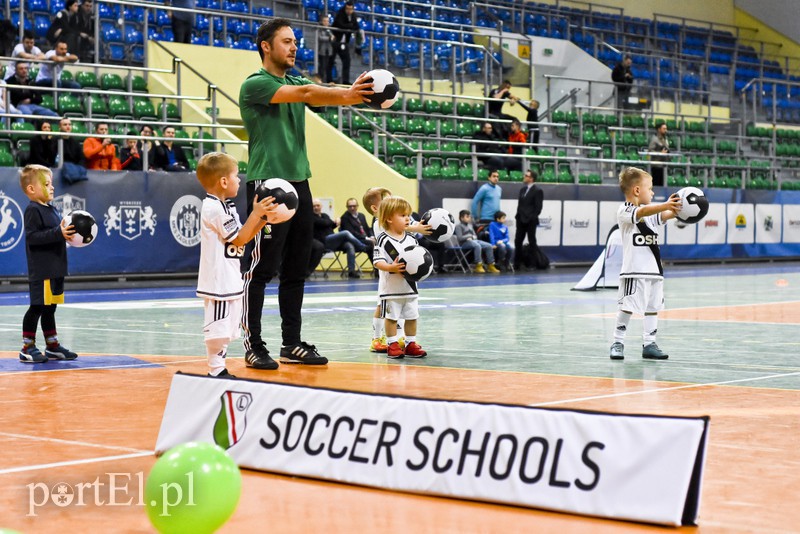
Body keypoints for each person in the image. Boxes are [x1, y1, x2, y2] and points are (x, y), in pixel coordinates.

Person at [238, 18, 373, 369]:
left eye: (295, 41)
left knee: (297, 267)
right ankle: (252, 344)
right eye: (286, 41)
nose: (294, 46)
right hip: (268, 184)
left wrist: (350, 91)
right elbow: (309, 94)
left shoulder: (295, 79)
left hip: (299, 182)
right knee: (261, 269)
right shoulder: (256, 84)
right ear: (266, 46)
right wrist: (348, 95)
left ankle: (291, 343)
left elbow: (315, 91)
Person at [195, 152, 277, 376]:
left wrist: (264, 218)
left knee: (229, 328)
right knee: (218, 329)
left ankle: (219, 368)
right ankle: (215, 370)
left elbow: (245, 235)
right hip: (218, 279)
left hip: (231, 276)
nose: (239, 180)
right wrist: (257, 213)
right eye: (235, 176)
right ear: (223, 181)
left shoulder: (226, 206)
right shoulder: (213, 208)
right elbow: (240, 238)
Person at [609, 167, 681, 361]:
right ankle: (618, 341)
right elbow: (642, 211)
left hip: (654, 272)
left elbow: (666, 215)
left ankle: (649, 343)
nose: (653, 192)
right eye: (650, 188)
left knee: (652, 307)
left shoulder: (650, 215)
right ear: (637, 191)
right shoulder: (625, 210)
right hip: (634, 272)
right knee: (627, 307)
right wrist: (666, 204)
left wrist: (683, 209)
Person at [18, 164, 78, 363]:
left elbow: (54, 235)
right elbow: (33, 237)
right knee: (37, 307)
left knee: (50, 308)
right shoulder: (33, 210)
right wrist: (57, 233)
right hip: (42, 271)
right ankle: (27, 347)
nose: (52, 187)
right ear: (31, 189)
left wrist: (68, 236)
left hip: (55, 269)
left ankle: (52, 346)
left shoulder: (51, 209)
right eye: (46, 184)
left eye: (51, 184)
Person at [362, 186, 429, 352]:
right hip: (388, 274)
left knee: (406, 310)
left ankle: (402, 339)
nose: (407, 218)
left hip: (406, 282)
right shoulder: (379, 224)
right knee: (384, 307)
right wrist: (416, 227)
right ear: (376, 208)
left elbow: (405, 227)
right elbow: (403, 227)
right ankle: (378, 338)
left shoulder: (409, 238)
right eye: (387, 201)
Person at [312, 198, 366, 278]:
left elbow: (330, 225)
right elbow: (325, 223)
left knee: (349, 245)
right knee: (346, 233)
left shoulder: (325, 215)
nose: (316, 207)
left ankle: (351, 271)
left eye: (318, 205)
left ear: (321, 206)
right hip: (324, 242)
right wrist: (334, 221)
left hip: (333, 241)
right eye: (314, 206)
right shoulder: (311, 217)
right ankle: (363, 247)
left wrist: (335, 222)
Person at [514, 170, 544, 271]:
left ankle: (533, 264)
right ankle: (517, 263)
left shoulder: (537, 190)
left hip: (530, 220)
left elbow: (538, 208)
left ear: (531, 178)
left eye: (526, 176)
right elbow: (520, 205)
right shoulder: (522, 190)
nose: (524, 177)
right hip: (520, 219)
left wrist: (531, 217)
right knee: (518, 241)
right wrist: (518, 216)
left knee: (532, 242)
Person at [331, 1, 360, 85]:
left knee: (347, 61)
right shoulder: (340, 13)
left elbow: (356, 27)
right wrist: (350, 26)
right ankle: (328, 79)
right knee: (330, 61)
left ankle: (345, 81)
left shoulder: (353, 15)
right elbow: (340, 25)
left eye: (350, 9)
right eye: (347, 9)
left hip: (345, 42)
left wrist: (350, 26)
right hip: (336, 41)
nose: (349, 11)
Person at [57, 117, 87, 183]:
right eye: (65, 125)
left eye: (69, 124)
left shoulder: (75, 142)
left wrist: (78, 167)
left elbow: (81, 158)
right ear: (60, 127)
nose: (68, 126)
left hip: (75, 168)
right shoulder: (55, 141)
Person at [648, 122, 670, 187]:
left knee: (662, 185)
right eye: (664, 129)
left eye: (666, 129)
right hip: (656, 166)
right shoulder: (654, 139)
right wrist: (660, 153)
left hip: (663, 166)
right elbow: (650, 151)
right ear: (659, 129)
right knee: (656, 186)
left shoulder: (665, 139)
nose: (665, 130)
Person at [316, 17, 335, 84]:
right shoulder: (319, 29)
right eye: (324, 21)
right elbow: (320, 38)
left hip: (329, 50)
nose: (326, 22)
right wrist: (329, 38)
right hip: (322, 50)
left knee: (328, 67)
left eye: (327, 21)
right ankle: (320, 80)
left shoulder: (330, 29)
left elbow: (333, 37)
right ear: (322, 21)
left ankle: (327, 81)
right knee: (322, 66)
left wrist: (331, 37)